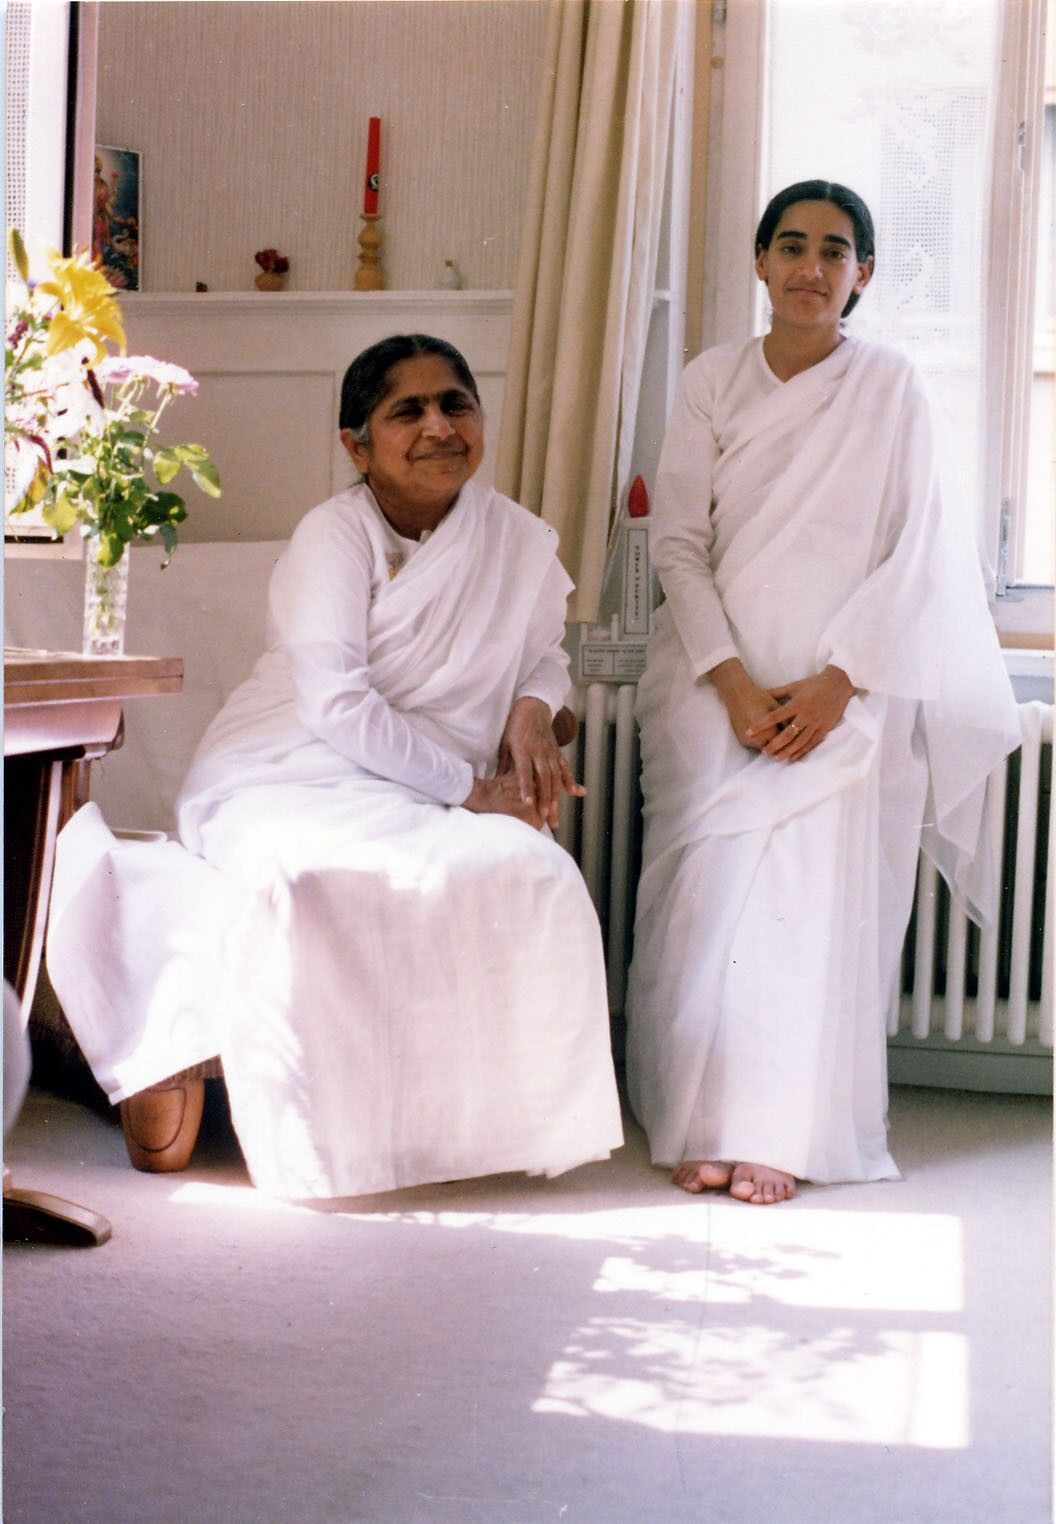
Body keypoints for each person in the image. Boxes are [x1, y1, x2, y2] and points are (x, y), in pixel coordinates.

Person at [49, 334, 623, 1200]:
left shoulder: (512, 538)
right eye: (408, 411)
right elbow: (337, 706)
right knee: (310, 881)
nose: (439, 426)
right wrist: (475, 790)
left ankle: (489, 1133)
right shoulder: (334, 535)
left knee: (532, 872)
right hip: (285, 772)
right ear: (358, 446)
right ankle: (328, 1148)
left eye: (455, 404)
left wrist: (534, 707)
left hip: (418, 784)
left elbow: (543, 650)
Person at [625, 181, 1019, 1205]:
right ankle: (697, 1121)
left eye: (834, 251)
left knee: (805, 909)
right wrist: (735, 687)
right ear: (758, 263)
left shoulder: (892, 387)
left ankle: (782, 1131)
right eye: (790, 246)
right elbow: (676, 543)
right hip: (713, 683)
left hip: (846, 691)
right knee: (708, 906)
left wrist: (839, 686)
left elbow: (918, 552)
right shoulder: (711, 381)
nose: (811, 267)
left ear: (864, 276)